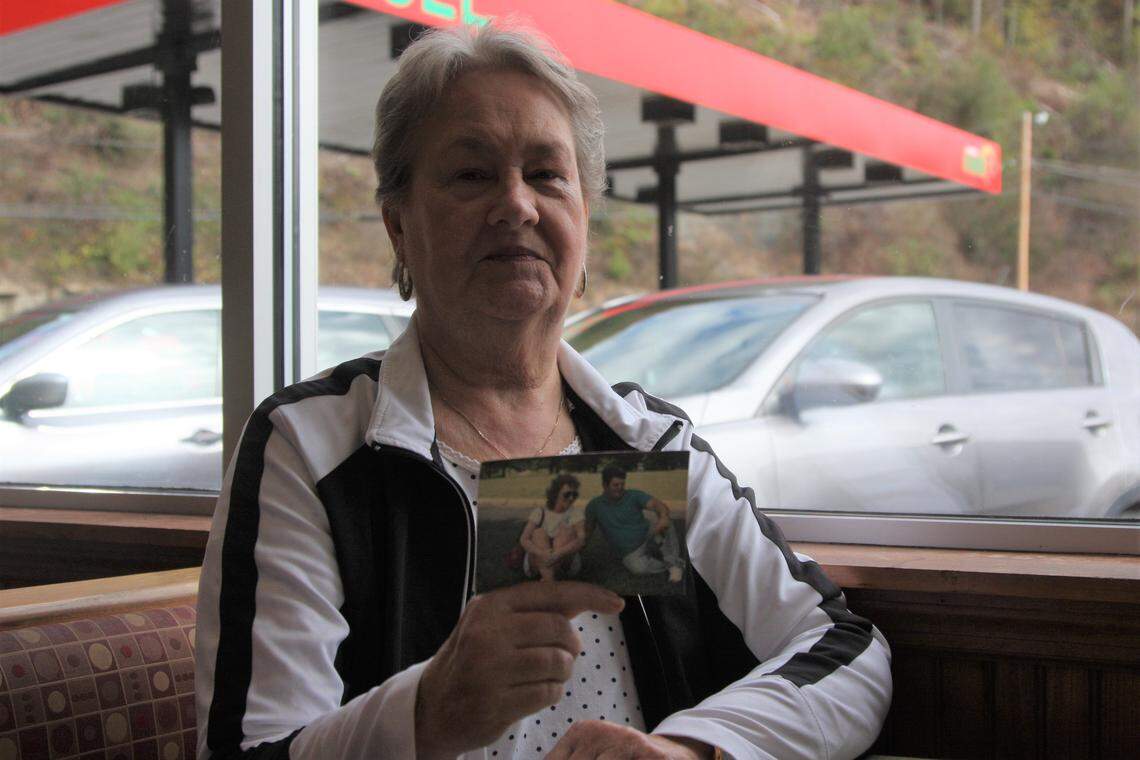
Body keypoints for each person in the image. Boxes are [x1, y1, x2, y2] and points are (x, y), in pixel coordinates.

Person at [195, 21, 891, 760]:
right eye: (472, 174)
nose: (517, 205)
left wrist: (694, 751)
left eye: (547, 174)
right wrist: (424, 713)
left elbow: (841, 647)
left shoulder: (646, 444)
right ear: (398, 226)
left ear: (582, 219)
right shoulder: (310, 449)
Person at [585, 465, 685, 582]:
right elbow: (588, 530)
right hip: (629, 551)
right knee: (638, 569)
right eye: (616, 485)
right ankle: (670, 564)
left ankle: (674, 565)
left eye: (622, 484)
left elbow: (657, 504)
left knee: (666, 522)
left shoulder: (633, 495)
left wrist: (663, 517)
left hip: (649, 534)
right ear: (605, 485)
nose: (620, 488)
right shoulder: (594, 506)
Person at [519, 473, 587, 580]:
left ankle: (548, 581)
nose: (571, 498)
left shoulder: (576, 513)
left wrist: (557, 554)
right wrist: (542, 554)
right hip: (537, 561)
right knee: (538, 533)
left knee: (565, 532)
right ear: (555, 493)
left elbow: (581, 540)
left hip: (565, 563)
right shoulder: (540, 512)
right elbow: (524, 539)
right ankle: (551, 581)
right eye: (567, 494)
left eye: (574, 495)